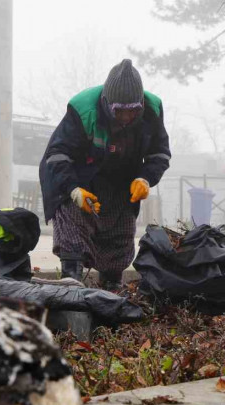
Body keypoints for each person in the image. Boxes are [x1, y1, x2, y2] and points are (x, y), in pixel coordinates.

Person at [40, 59, 171, 290]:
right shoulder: (83, 109)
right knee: (74, 233)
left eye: (133, 111)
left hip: (121, 180)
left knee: (119, 237)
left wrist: (145, 178)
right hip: (79, 179)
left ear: (140, 105)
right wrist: (73, 189)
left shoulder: (152, 110)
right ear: (106, 102)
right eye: (119, 111)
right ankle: (71, 290)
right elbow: (58, 155)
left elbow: (159, 154)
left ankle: (111, 290)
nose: (126, 118)